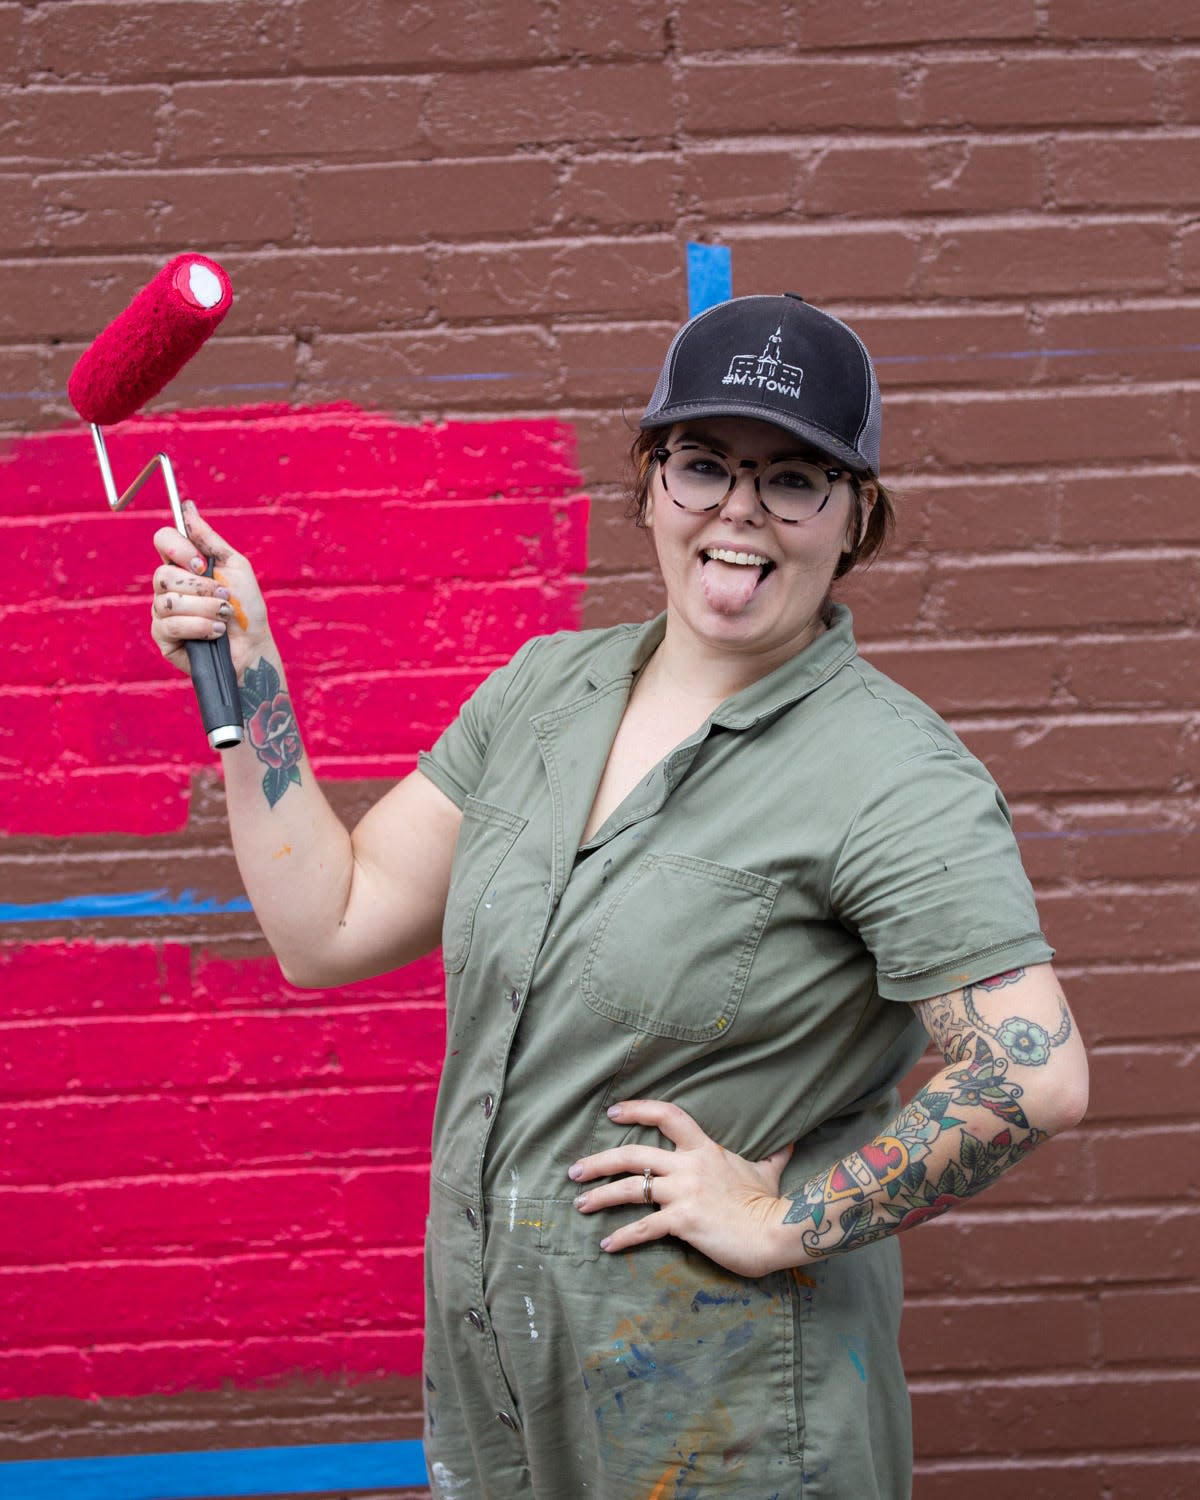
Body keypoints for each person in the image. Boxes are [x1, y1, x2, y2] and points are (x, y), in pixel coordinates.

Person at [149, 293, 1089, 1499]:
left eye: (794, 480)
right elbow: (330, 928)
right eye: (705, 466)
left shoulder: (891, 776)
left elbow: (1035, 1074)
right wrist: (253, 679)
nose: (739, 509)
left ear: (854, 521)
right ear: (650, 483)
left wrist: (779, 1218)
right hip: (507, 1397)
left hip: (724, 1423)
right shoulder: (547, 692)